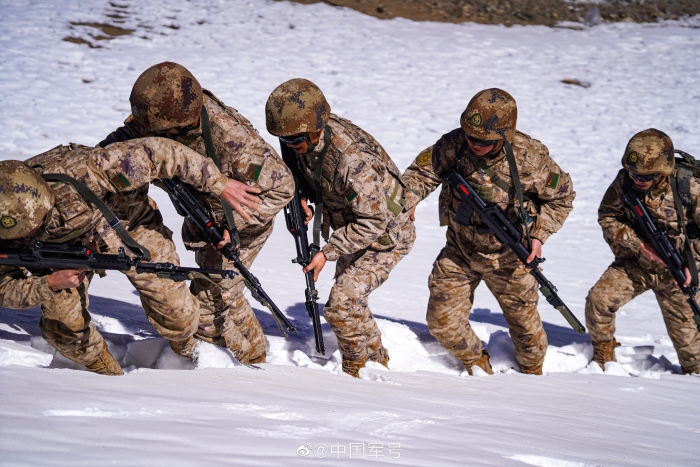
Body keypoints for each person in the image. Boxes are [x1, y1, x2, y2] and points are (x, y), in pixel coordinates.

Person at [100, 62, 294, 364]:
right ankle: (257, 356)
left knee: (207, 309)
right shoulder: (161, 114)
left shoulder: (232, 142)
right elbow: (124, 142)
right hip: (204, 218)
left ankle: (246, 368)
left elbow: (283, 187)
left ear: (180, 125)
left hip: (241, 226)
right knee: (221, 291)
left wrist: (235, 224)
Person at [0, 138, 241, 374]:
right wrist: (49, 283)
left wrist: (219, 185)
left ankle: (186, 352)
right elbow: (3, 287)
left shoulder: (86, 169)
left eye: (33, 225)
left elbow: (161, 152)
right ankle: (105, 374)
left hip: (127, 224)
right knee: (64, 330)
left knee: (178, 314)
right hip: (59, 256)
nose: (27, 233)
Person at [401, 88, 575, 375]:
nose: (475, 144)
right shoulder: (453, 144)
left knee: (528, 337)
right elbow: (420, 174)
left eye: (484, 140)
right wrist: (409, 199)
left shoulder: (529, 158)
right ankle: (478, 365)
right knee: (441, 321)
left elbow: (562, 198)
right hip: (460, 251)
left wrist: (538, 236)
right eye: (470, 136)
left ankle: (534, 379)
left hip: (510, 258)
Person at [265, 78, 415, 377]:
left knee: (340, 306)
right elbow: (304, 171)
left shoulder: (351, 159)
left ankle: (355, 371)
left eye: (296, 141)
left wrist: (328, 251)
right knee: (351, 300)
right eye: (285, 140)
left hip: (386, 235)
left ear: (317, 128)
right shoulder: (298, 135)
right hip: (354, 226)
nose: (291, 147)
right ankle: (377, 361)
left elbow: (374, 221)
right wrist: (303, 197)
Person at [585, 129, 700, 374]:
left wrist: (693, 264)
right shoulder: (624, 181)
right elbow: (608, 216)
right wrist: (639, 246)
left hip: (680, 273)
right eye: (634, 173)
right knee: (598, 301)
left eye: (646, 176)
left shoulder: (689, 187)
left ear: (663, 170)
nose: (638, 180)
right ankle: (603, 359)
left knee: (690, 345)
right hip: (637, 263)